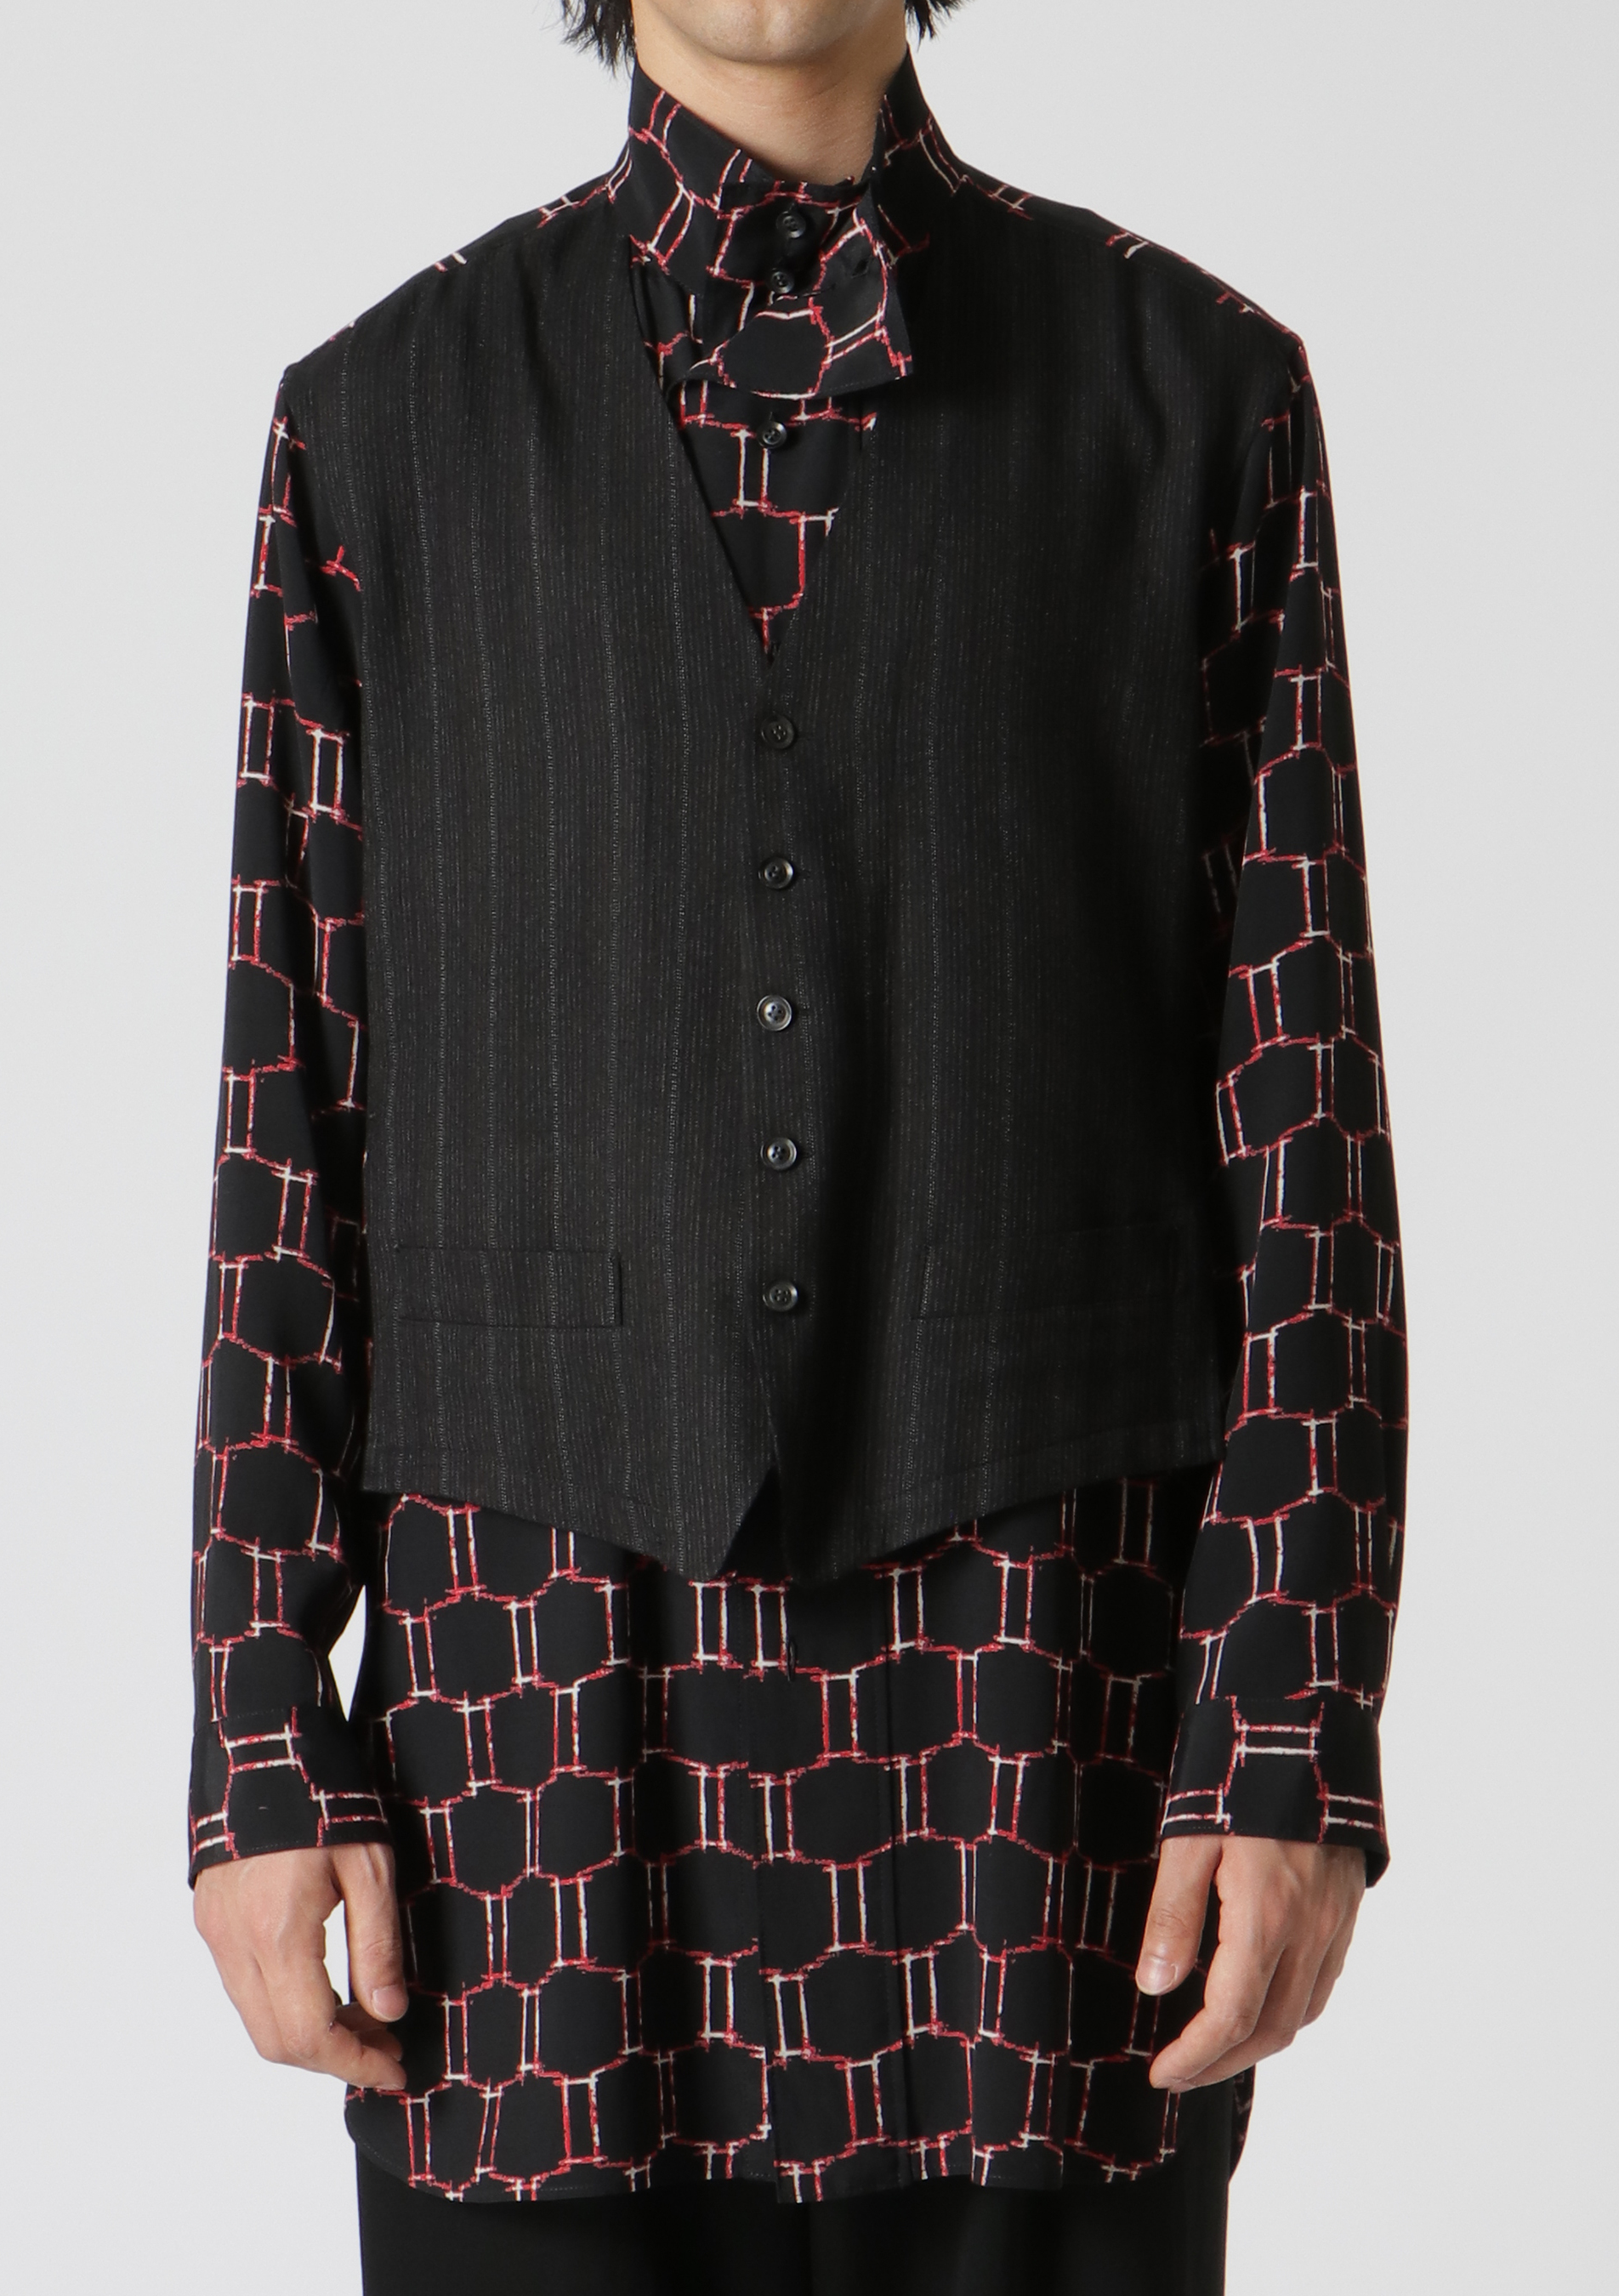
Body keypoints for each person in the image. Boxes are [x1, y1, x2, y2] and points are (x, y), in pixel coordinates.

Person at [189, 3, 1407, 2289]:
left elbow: (1299, 1110)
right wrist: (263, 1720)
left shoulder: (1195, 399)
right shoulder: (377, 426)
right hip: (530, 1766)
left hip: (1046, 1753)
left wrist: (1290, 1724)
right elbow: (295, 1107)